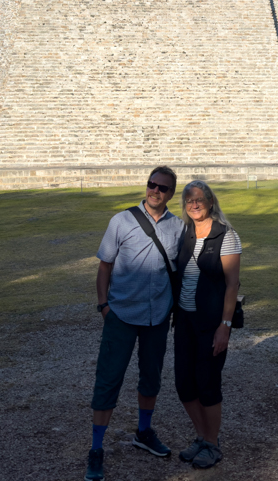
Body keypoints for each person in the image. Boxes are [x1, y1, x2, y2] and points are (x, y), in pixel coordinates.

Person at [85, 166, 183, 481]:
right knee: (108, 379)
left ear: (171, 193)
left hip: (157, 317)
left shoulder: (177, 228)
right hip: (122, 314)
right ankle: (96, 448)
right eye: (152, 185)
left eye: (163, 188)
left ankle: (143, 431)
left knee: (151, 377)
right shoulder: (122, 221)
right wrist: (104, 307)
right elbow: (104, 266)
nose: (156, 191)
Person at [172, 180, 242, 469]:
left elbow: (232, 284)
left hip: (211, 323)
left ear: (211, 202)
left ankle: (212, 443)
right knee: (183, 383)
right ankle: (201, 436)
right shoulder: (185, 232)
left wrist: (225, 325)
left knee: (207, 383)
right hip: (185, 320)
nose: (195, 204)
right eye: (189, 200)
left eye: (200, 199)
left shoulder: (226, 235)